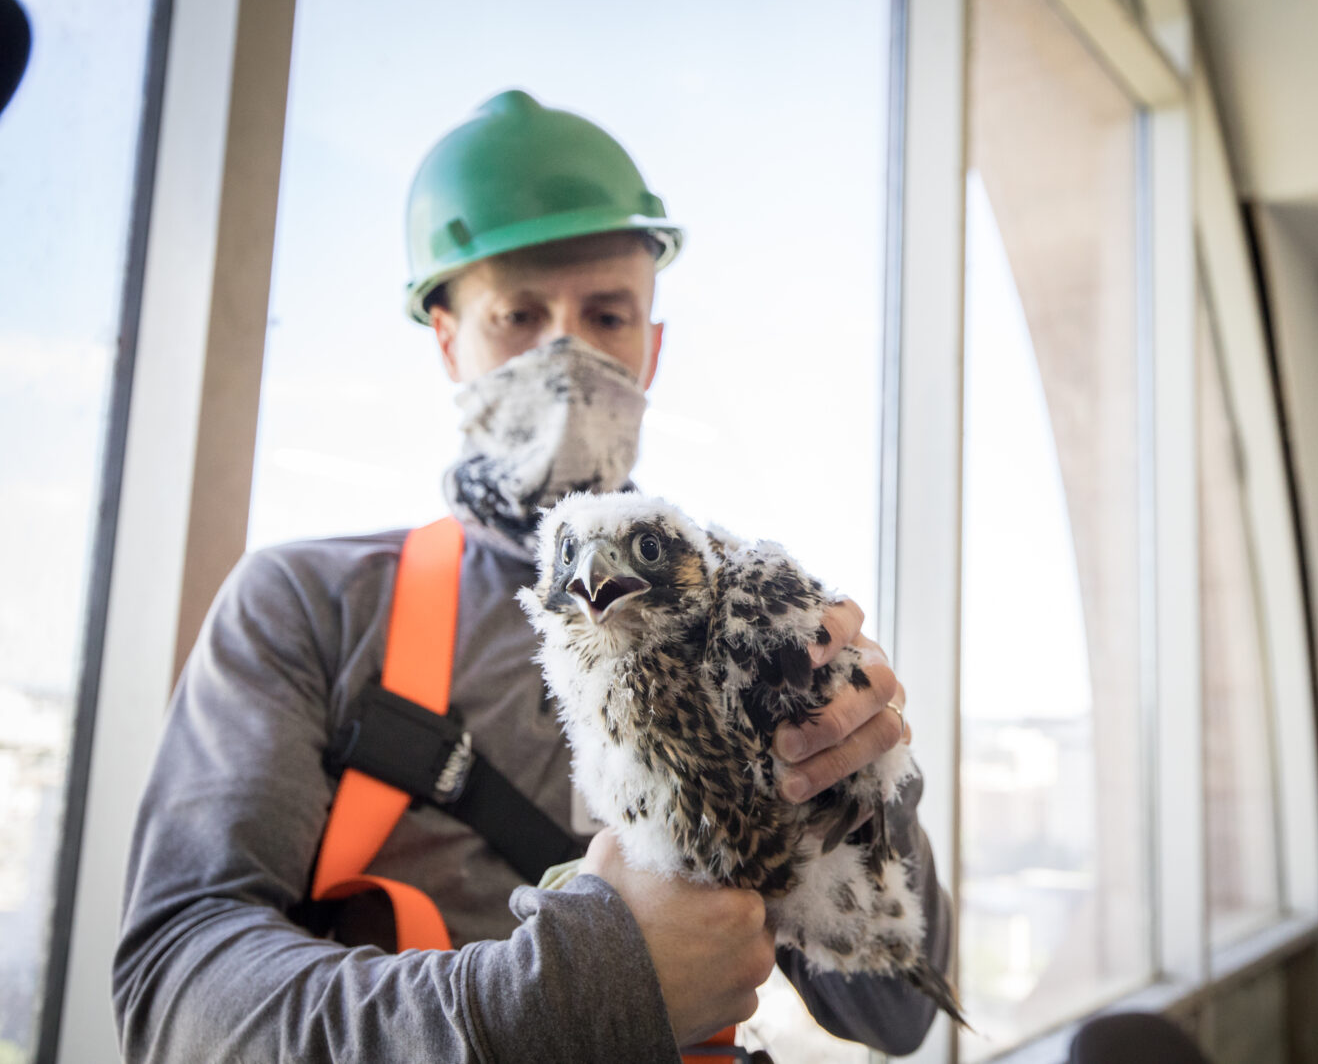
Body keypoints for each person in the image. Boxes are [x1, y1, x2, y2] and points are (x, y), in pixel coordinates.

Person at [113, 89, 951, 1062]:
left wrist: (864, 791)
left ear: (653, 345)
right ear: (446, 338)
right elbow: (175, 997)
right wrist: (574, 988)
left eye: (607, 313)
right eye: (520, 314)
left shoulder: (747, 628)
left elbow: (895, 1012)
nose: (568, 353)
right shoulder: (312, 606)